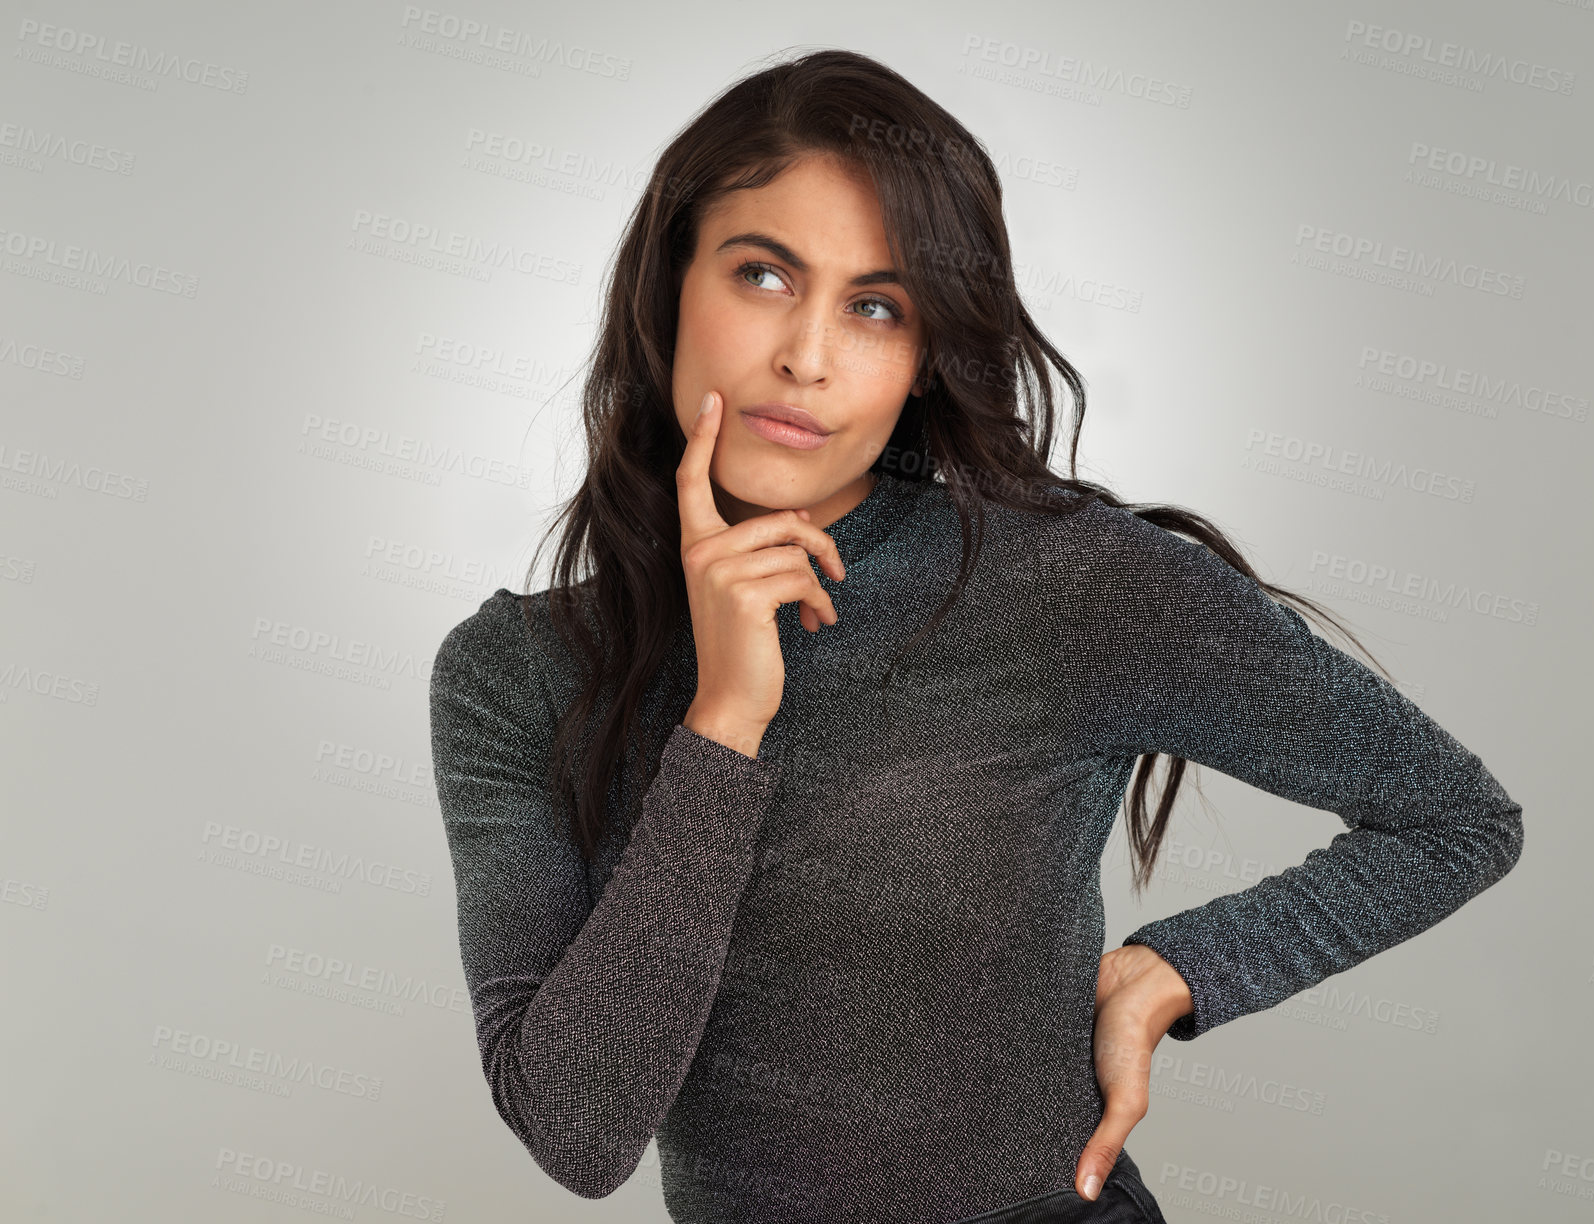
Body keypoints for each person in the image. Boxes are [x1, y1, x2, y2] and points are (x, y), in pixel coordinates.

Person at [426, 50, 1523, 1224]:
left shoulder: (1071, 583)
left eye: (876, 306)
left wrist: (1184, 971)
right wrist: (724, 724)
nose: (807, 353)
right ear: (670, 283)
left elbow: (1457, 818)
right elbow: (577, 1132)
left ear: (923, 356)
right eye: (761, 275)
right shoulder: (518, 672)